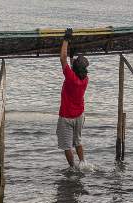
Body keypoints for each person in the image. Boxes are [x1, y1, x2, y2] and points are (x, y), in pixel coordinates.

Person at [57, 29, 90, 172]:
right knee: (78, 141)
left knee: (66, 145)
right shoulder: (84, 80)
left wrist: (66, 39)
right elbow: (70, 65)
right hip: (79, 116)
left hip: (67, 117)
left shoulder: (70, 78)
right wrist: (72, 57)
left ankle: (73, 168)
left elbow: (62, 58)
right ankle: (83, 163)